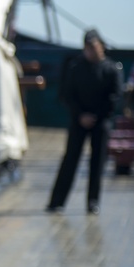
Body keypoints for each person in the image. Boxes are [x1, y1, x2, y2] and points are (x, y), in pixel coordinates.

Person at [46, 28, 123, 215]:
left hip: (101, 121)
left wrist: (96, 115)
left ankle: (93, 202)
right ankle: (57, 202)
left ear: (101, 46)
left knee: (97, 163)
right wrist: (81, 115)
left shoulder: (111, 69)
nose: (91, 51)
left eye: (94, 47)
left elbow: (114, 97)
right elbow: (67, 94)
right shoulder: (75, 68)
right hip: (79, 119)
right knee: (70, 159)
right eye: (87, 48)